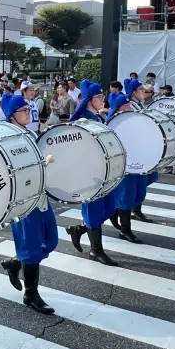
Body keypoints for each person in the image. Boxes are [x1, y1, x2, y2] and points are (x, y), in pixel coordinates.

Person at [0, 92, 57, 314]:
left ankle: (15, 263)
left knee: (50, 241)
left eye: (28, 110)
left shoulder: (31, 135)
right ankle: (31, 294)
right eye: (23, 111)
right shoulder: (6, 138)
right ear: (12, 115)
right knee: (32, 248)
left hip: (40, 196)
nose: (28, 113)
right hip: (23, 201)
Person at [63, 80, 119, 266]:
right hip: (89, 174)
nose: (103, 99)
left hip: (103, 172)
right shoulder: (82, 122)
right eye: (99, 97)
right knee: (94, 211)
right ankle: (96, 251)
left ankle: (78, 229)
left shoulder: (97, 118)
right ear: (89, 100)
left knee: (110, 209)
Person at [105, 93, 143, 243]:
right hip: (122, 166)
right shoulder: (114, 123)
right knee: (125, 197)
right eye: (126, 106)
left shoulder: (128, 120)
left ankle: (81, 228)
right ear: (119, 109)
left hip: (131, 164)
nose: (129, 107)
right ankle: (125, 230)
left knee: (130, 195)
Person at [123, 77, 154, 222]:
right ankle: (132, 210)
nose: (144, 91)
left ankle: (136, 208)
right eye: (141, 89)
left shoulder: (140, 105)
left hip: (142, 149)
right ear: (134, 92)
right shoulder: (130, 106)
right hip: (135, 151)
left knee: (143, 181)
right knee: (136, 184)